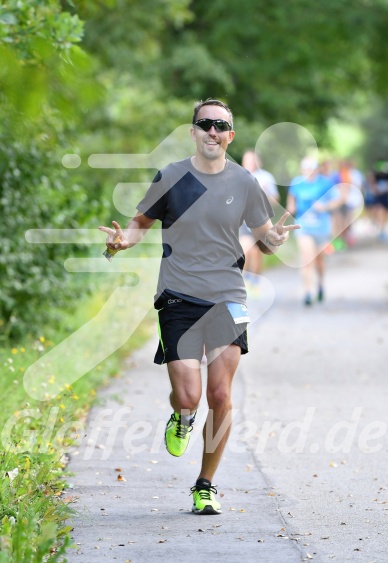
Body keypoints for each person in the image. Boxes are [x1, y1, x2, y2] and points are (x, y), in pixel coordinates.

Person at [99, 98, 299, 515]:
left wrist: (274, 240)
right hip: (178, 296)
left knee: (221, 394)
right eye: (204, 124)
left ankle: (205, 485)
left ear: (230, 135)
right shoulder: (171, 177)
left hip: (228, 296)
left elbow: (263, 236)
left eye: (220, 125)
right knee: (188, 397)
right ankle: (182, 416)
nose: (212, 131)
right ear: (193, 131)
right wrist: (121, 242)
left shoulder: (244, 183)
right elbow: (139, 225)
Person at [286, 157, 341, 306]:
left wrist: (325, 207)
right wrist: (290, 209)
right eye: (306, 169)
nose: (309, 172)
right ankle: (308, 292)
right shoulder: (296, 183)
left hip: (322, 226)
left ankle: (321, 283)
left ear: (316, 169)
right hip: (303, 225)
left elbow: (337, 200)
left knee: (319, 260)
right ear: (302, 169)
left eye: (311, 169)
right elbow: (291, 202)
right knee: (306, 259)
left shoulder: (325, 183)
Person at [239, 150, 280, 297]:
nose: (249, 163)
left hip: (261, 220)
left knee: (257, 252)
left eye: (252, 160)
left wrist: (263, 195)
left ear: (257, 162)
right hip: (243, 221)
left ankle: (255, 282)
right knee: (246, 250)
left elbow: (275, 200)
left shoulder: (266, 177)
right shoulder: (237, 177)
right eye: (247, 160)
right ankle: (246, 280)